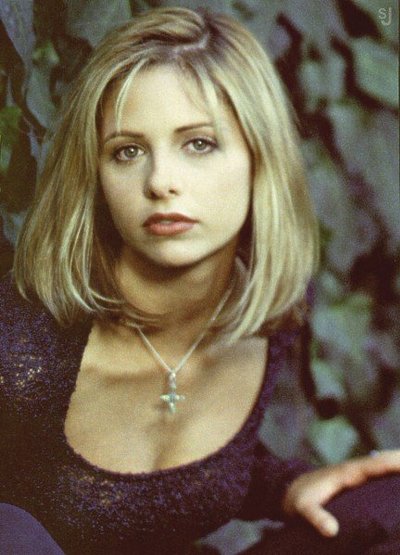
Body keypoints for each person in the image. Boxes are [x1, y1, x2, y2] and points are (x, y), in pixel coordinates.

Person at [0, 7, 399, 555]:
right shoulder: (22, 342)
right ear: (96, 175)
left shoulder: (273, 310)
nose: (161, 182)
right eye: (127, 151)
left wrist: (288, 487)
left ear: (259, 157)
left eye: (199, 144)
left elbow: (181, 480)